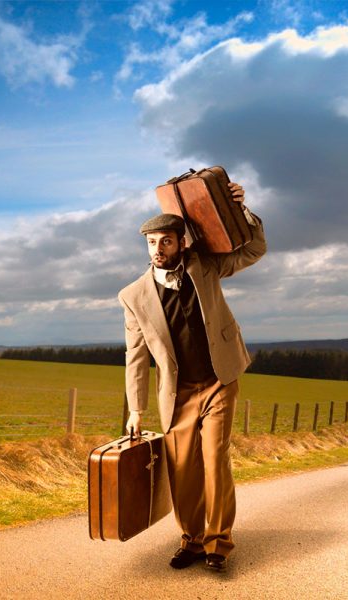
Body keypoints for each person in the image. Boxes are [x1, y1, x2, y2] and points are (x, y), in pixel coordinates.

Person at [118, 181, 266, 572]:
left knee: (215, 459)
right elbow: (135, 357)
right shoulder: (132, 296)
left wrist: (242, 212)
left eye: (165, 242)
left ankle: (218, 543)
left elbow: (253, 249)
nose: (158, 250)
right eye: (151, 243)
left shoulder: (207, 264)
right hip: (177, 394)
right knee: (183, 471)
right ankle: (192, 541)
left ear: (181, 242)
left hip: (220, 379)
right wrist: (136, 410)